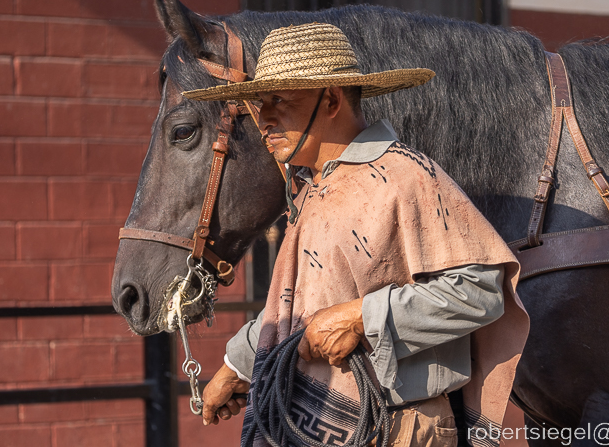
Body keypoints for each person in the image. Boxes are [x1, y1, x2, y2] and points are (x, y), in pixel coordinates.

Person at [185, 22, 529, 447]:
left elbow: (480, 292)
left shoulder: (406, 176)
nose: (264, 119)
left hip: (398, 429)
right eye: (259, 103)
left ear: (330, 100)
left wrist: (360, 317)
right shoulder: (313, 188)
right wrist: (237, 366)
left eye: (279, 101)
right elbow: (306, 302)